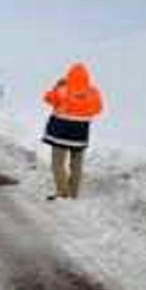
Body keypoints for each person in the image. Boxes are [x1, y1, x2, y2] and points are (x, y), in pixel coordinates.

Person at [41, 63, 103, 200]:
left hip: (60, 133)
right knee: (76, 165)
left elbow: (47, 98)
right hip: (80, 134)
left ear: (69, 76)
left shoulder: (62, 90)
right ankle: (74, 193)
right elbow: (98, 109)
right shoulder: (93, 92)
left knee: (58, 163)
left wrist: (57, 86)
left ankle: (62, 192)